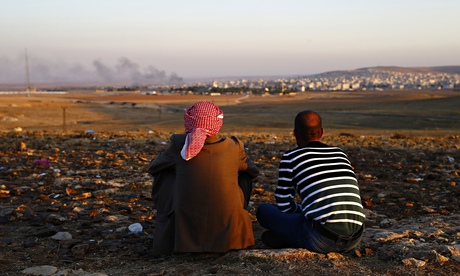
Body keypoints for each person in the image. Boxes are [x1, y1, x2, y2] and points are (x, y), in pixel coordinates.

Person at [148, 101, 258, 256]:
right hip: (230, 239)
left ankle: (170, 228)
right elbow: (253, 171)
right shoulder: (234, 146)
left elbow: (153, 168)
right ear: (217, 122)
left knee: (165, 174)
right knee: (243, 175)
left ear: (189, 121)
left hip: (184, 235)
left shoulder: (179, 145)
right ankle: (235, 222)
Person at [256, 110, 365, 253]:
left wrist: (301, 210)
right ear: (322, 132)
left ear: (295, 133)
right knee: (307, 215)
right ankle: (288, 237)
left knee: (264, 211)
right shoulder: (340, 153)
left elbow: (284, 204)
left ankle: (289, 238)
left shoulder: (291, 157)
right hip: (355, 239)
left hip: (321, 239)